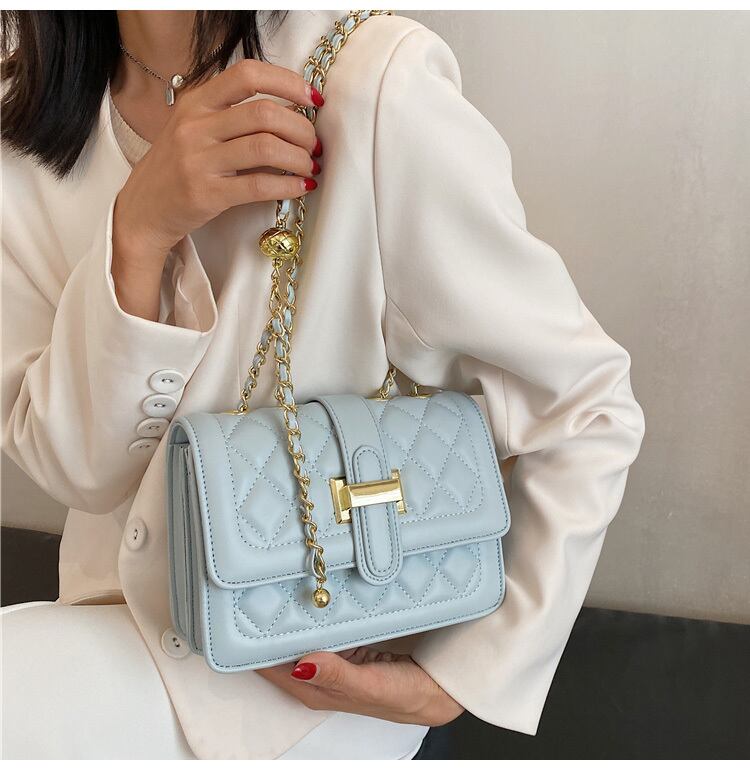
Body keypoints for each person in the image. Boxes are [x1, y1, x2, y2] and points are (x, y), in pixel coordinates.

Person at [0, 9, 646, 760]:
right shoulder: (24, 112)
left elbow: (585, 404)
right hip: (107, 631)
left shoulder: (369, 83)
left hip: (313, 665)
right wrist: (139, 231)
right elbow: (77, 470)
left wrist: (464, 674)